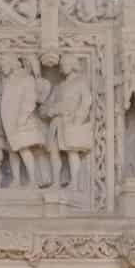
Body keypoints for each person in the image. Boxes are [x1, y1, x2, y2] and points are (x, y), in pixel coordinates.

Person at [0, 53, 49, 188]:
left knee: (23, 148)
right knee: (12, 150)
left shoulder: (26, 78)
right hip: (9, 121)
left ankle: (32, 180)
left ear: (12, 62)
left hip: (22, 120)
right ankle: (16, 180)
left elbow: (30, 99)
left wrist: (22, 117)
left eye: (4, 65)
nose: (2, 68)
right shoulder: (9, 80)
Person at [44, 56, 94, 191]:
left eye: (66, 63)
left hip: (70, 121)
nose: (63, 66)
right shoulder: (58, 86)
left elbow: (86, 101)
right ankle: (56, 182)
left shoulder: (80, 82)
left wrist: (79, 118)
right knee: (54, 152)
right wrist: (50, 110)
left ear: (73, 64)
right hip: (56, 122)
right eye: (62, 64)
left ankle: (75, 183)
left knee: (72, 151)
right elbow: (49, 104)